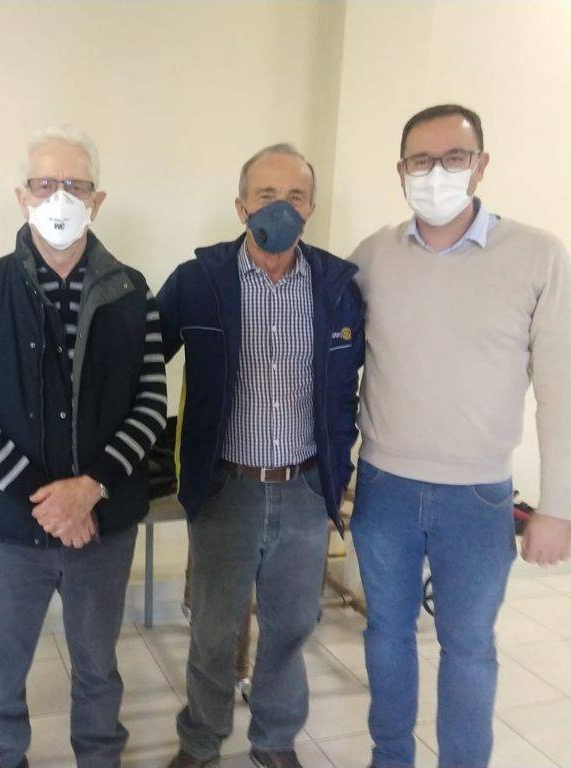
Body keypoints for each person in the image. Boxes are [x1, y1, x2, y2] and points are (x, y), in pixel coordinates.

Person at [348, 103, 571, 768]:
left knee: (470, 648)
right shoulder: (373, 257)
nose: (437, 173)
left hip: (478, 498)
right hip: (385, 488)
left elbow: (563, 390)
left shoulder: (537, 256)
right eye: (421, 161)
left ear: (480, 166)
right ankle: (389, 758)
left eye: (454, 158)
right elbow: (333, 365)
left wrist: (556, 507)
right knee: (386, 636)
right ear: (401, 170)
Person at [0, 125, 167, 768]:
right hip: (10, 526)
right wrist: (49, 501)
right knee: (1, 671)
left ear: (97, 200)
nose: (59, 198)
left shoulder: (135, 292)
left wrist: (89, 489)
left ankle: (100, 757)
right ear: (22, 196)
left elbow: (151, 403)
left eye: (75, 185)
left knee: (98, 666)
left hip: (102, 522)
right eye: (45, 184)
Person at [157, 143, 365, 768]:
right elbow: (141, 358)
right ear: (241, 205)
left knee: (291, 627)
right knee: (213, 630)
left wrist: (341, 470)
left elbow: (356, 382)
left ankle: (274, 741)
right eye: (266, 195)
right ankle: (201, 741)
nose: (281, 207)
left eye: (295, 196)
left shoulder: (339, 287)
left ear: (312, 208)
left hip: (304, 488)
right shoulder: (198, 281)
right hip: (227, 488)